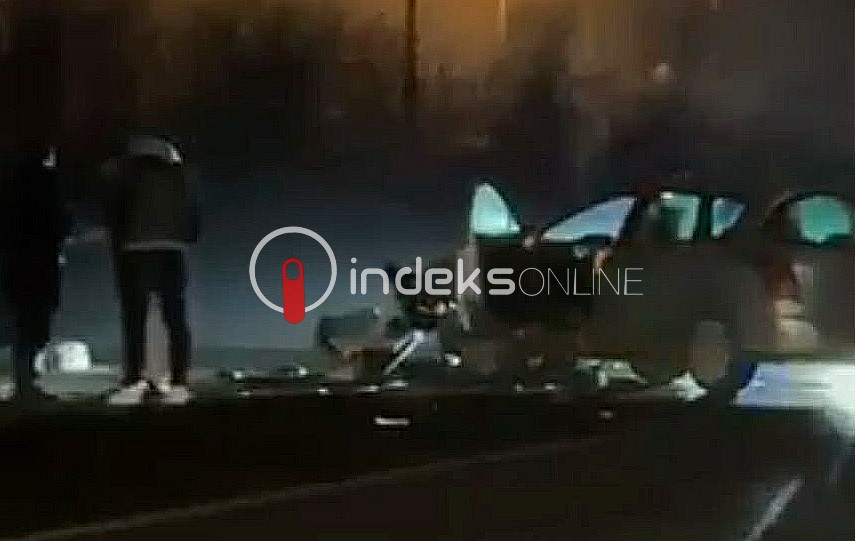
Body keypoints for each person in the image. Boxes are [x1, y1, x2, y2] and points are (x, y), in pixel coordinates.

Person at [101, 136, 199, 406]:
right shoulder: (180, 179)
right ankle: (179, 378)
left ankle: (135, 376)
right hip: (172, 249)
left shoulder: (126, 176)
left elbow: (115, 215)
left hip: (135, 250)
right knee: (175, 317)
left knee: (135, 317)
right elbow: (193, 218)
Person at [0, 148, 70, 402]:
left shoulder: (11, 188)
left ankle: (24, 379)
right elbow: (61, 222)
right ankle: (25, 380)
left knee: (22, 320)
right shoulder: (48, 186)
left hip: (16, 263)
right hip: (41, 261)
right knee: (36, 320)